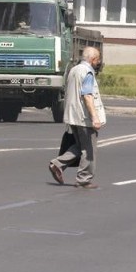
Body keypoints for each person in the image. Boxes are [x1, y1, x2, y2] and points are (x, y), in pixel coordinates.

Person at [48, 46, 106, 189]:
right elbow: (87, 96)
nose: (98, 62)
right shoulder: (87, 72)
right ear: (93, 59)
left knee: (80, 146)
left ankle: (58, 164)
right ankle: (84, 179)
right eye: (97, 60)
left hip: (72, 115)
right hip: (83, 117)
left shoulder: (74, 70)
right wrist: (95, 117)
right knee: (89, 150)